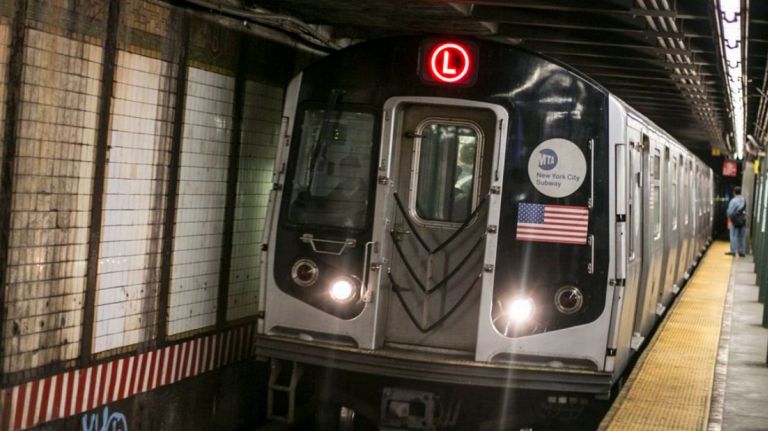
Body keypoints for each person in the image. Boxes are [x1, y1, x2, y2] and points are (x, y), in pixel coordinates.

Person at [726, 186, 747, 256]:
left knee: (733, 235)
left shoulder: (733, 201)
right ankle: (742, 252)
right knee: (741, 236)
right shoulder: (744, 200)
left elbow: (730, 212)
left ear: (734, 192)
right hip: (742, 220)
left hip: (735, 221)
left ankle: (733, 251)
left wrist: (729, 216)